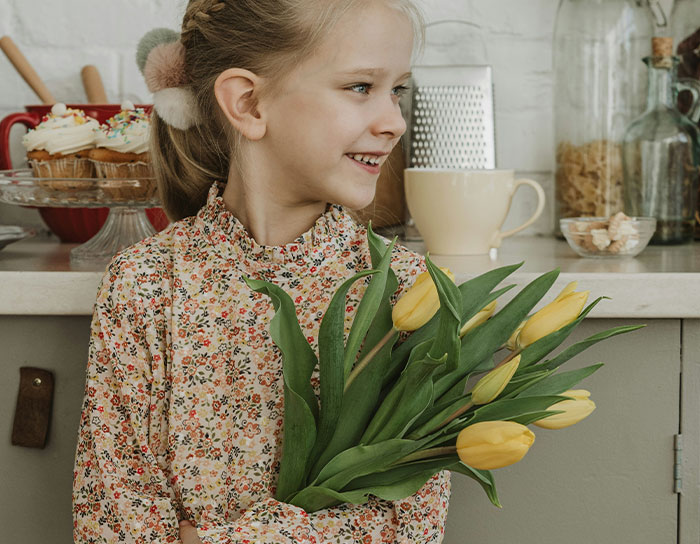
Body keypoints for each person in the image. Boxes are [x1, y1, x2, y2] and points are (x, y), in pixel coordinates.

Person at [72, 1, 451, 542]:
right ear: (249, 103)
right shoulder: (146, 282)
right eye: (361, 87)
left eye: (398, 91)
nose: (394, 122)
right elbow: (110, 517)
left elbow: (407, 524)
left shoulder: (408, 295)